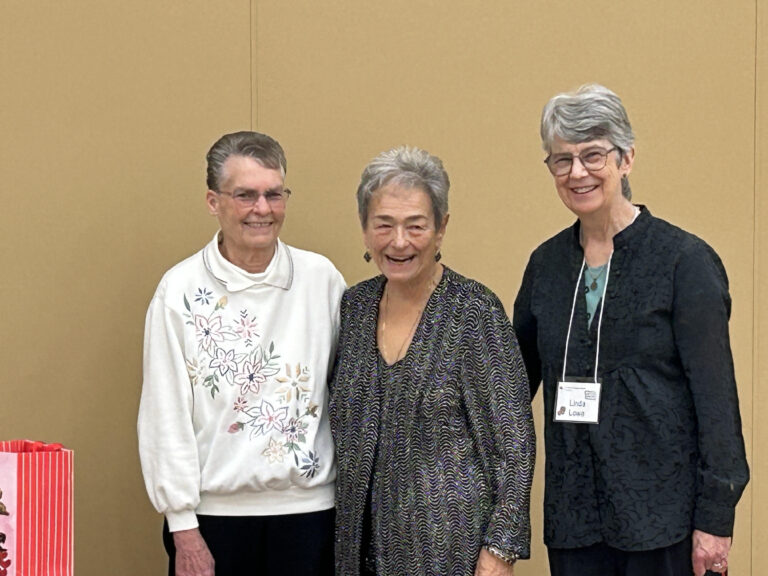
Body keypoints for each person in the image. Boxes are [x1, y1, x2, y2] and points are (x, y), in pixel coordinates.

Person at [513, 84, 750, 576]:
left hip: (664, 520)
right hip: (574, 517)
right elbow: (511, 387)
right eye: (561, 160)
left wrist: (716, 518)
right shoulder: (547, 265)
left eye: (593, 155)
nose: (577, 172)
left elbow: (717, 403)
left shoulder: (684, 262)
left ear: (627, 159)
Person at [138, 131, 345, 576]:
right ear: (213, 201)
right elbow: (164, 416)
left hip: (311, 515)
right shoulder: (178, 290)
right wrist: (183, 526)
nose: (262, 209)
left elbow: (351, 393)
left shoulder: (321, 279)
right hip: (213, 521)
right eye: (245, 195)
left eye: (274, 194)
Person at [330, 146, 535, 576]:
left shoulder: (474, 311)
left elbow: (512, 447)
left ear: (441, 229)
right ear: (365, 229)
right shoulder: (355, 307)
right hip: (357, 549)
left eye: (415, 225)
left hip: (450, 554)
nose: (398, 241)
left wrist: (501, 549)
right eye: (383, 224)